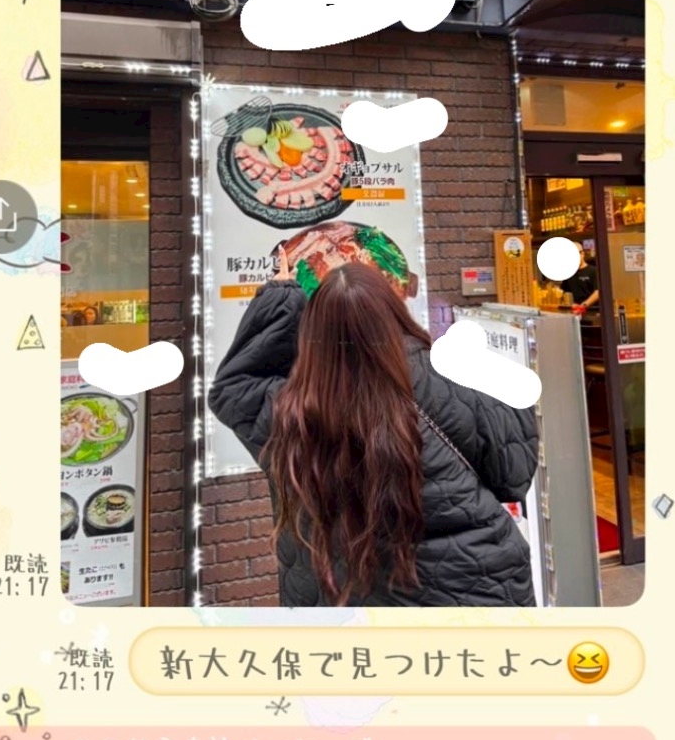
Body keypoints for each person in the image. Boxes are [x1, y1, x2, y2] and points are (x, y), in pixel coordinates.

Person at [208, 250, 540, 608]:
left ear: (312, 331)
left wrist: (281, 296)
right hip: (474, 591)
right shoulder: (452, 375)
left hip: (350, 602)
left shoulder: (294, 413)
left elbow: (233, 388)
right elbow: (513, 476)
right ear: (394, 311)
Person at [562, 243, 599, 316]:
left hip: (591, 312)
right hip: (573, 313)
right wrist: (571, 304)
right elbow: (564, 293)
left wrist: (583, 305)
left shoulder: (593, 271)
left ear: (582, 254)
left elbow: (597, 292)